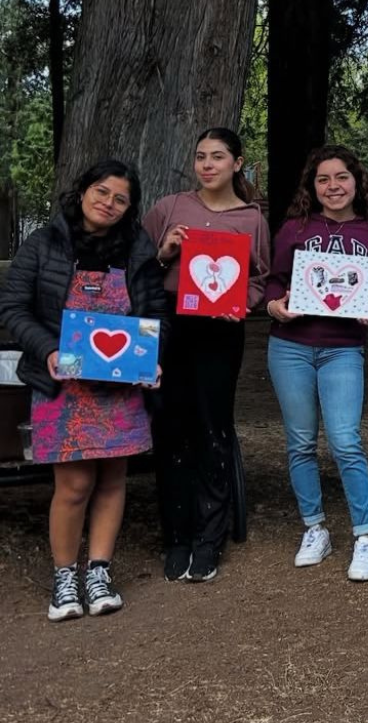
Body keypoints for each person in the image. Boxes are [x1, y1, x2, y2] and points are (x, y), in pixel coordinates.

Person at [0, 160, 167, 620]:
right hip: (62, 385)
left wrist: (152, 358)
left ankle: (98, 571)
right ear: (82, 191)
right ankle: (64, 579)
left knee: (113, 480)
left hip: (122, 387)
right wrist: (47, 350)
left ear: (130, 208)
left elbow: (157, 313)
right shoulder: (44, 244)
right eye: (101, 191)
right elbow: (13, 307)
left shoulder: (137, 249)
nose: (107, 203)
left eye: (120, 198)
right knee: (73, 485)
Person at [143, 127, 271, 582]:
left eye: (218, 156)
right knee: (170, 428)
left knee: (213, 429)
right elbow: (137, 267)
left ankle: (209, 539)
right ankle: (177, 536)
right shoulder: (170, 207)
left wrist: (243, 304)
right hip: (169, 330)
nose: (208, 165)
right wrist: (164, 253)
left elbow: (261, 277)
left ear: (237, 163)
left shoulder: (251, 218)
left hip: (219, 334)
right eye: (200, 157)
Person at [263, 145, 368, 581]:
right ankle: (315, 528)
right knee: (300, 443)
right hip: (290, 347)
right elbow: (274, 283)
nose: (333, 186)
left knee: (345, 441)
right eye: (323, 179)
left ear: (357, 182)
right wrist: (275, 306)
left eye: (341, 177)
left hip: (342, 347)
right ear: (312, 186)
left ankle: (365, 536)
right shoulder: (295, 228)